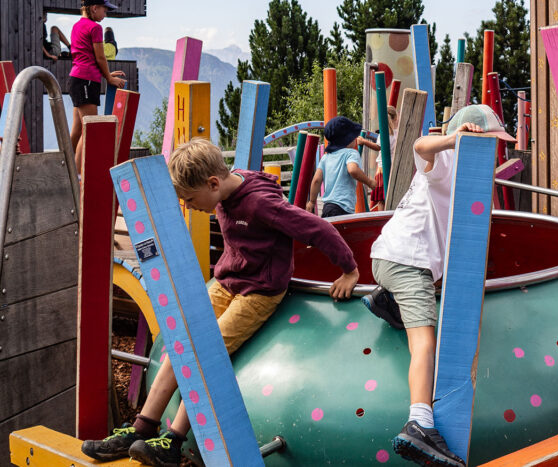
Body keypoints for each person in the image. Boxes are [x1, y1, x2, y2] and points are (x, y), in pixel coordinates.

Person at [82, 138, 361, 466]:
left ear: (213, 183)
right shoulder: (223, 189)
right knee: (182, 342)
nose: (188, 206)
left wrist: (349, 269)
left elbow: (316, 228)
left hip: (259, 291)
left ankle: (173, 441)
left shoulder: (260, 204)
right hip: (227, 283)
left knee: (205, 354)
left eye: (189, 199)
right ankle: (141, 428)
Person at [363, 104, 515, 467]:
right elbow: (420, 146)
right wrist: (453, 141)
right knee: (425, 341)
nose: (496, 153)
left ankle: (389, 302)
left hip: (399, 258)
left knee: (427, 305)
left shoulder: (469, 176)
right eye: (492, 144)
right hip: (405, 260)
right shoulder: (444, 161)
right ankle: (419, 421)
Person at [68, 0, 126, 172]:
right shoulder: (95, 28)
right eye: (104, 10)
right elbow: (100, 57)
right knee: (90, 130)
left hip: (76, 79)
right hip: (86, 82)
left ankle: (64, 169)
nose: (105, 14)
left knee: (77, 130)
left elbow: (87, 56)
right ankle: (77, 177)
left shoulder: (77, 26)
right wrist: (109, 77)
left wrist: (107, 73)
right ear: (94, 8)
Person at [306, 116, 377, 217]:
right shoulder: (351, 153)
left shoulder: (325, 157)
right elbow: (353, 170)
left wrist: (312, 202)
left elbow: (316, 180)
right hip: (343, 208)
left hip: (328, 208)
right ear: (348, 139)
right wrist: (369, 182)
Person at [370, 106, 398, 211]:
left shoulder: (383, 134)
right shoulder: (397, 133)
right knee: (390, 195)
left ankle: (381, 219)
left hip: (382, 168)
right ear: (395, 118)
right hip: (393, 166)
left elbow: (378, 147)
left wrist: (365, 142)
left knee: (381, 199)